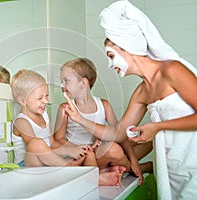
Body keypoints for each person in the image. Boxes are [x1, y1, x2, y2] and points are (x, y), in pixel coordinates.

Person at [99, 0, 197, 199]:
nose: (110, 65)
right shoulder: (141, 92)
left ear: (127, 47)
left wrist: (157, 127)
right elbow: (119, 134)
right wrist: (79, 119)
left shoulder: (172, 70)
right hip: (171, 169)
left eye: (111, 56)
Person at [11, 69, 123, 186]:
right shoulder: (21, 121)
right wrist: (68, 152)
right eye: (40, 98)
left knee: (87, 153)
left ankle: (94, 176)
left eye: (47, 95)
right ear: (22, 100)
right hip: (28, 168)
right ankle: (72, 170)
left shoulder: (44, 115)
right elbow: (36, 151)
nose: (46, 100)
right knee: (36, 143)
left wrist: (79, 148)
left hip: (50, 164)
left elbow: (52, 143)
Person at [54, 58, 128, 178]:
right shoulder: (65, 108)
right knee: (60, 167)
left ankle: (130, 168)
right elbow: (58, 139)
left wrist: (99, 145)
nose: (62, 85)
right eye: (61, 81)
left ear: (83, 83)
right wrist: (79, 148)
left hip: (97, 153)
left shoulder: (104, 105)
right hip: (78, 155)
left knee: (115, 149)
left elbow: (118, 134)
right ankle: (104, 171)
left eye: (66, 80)